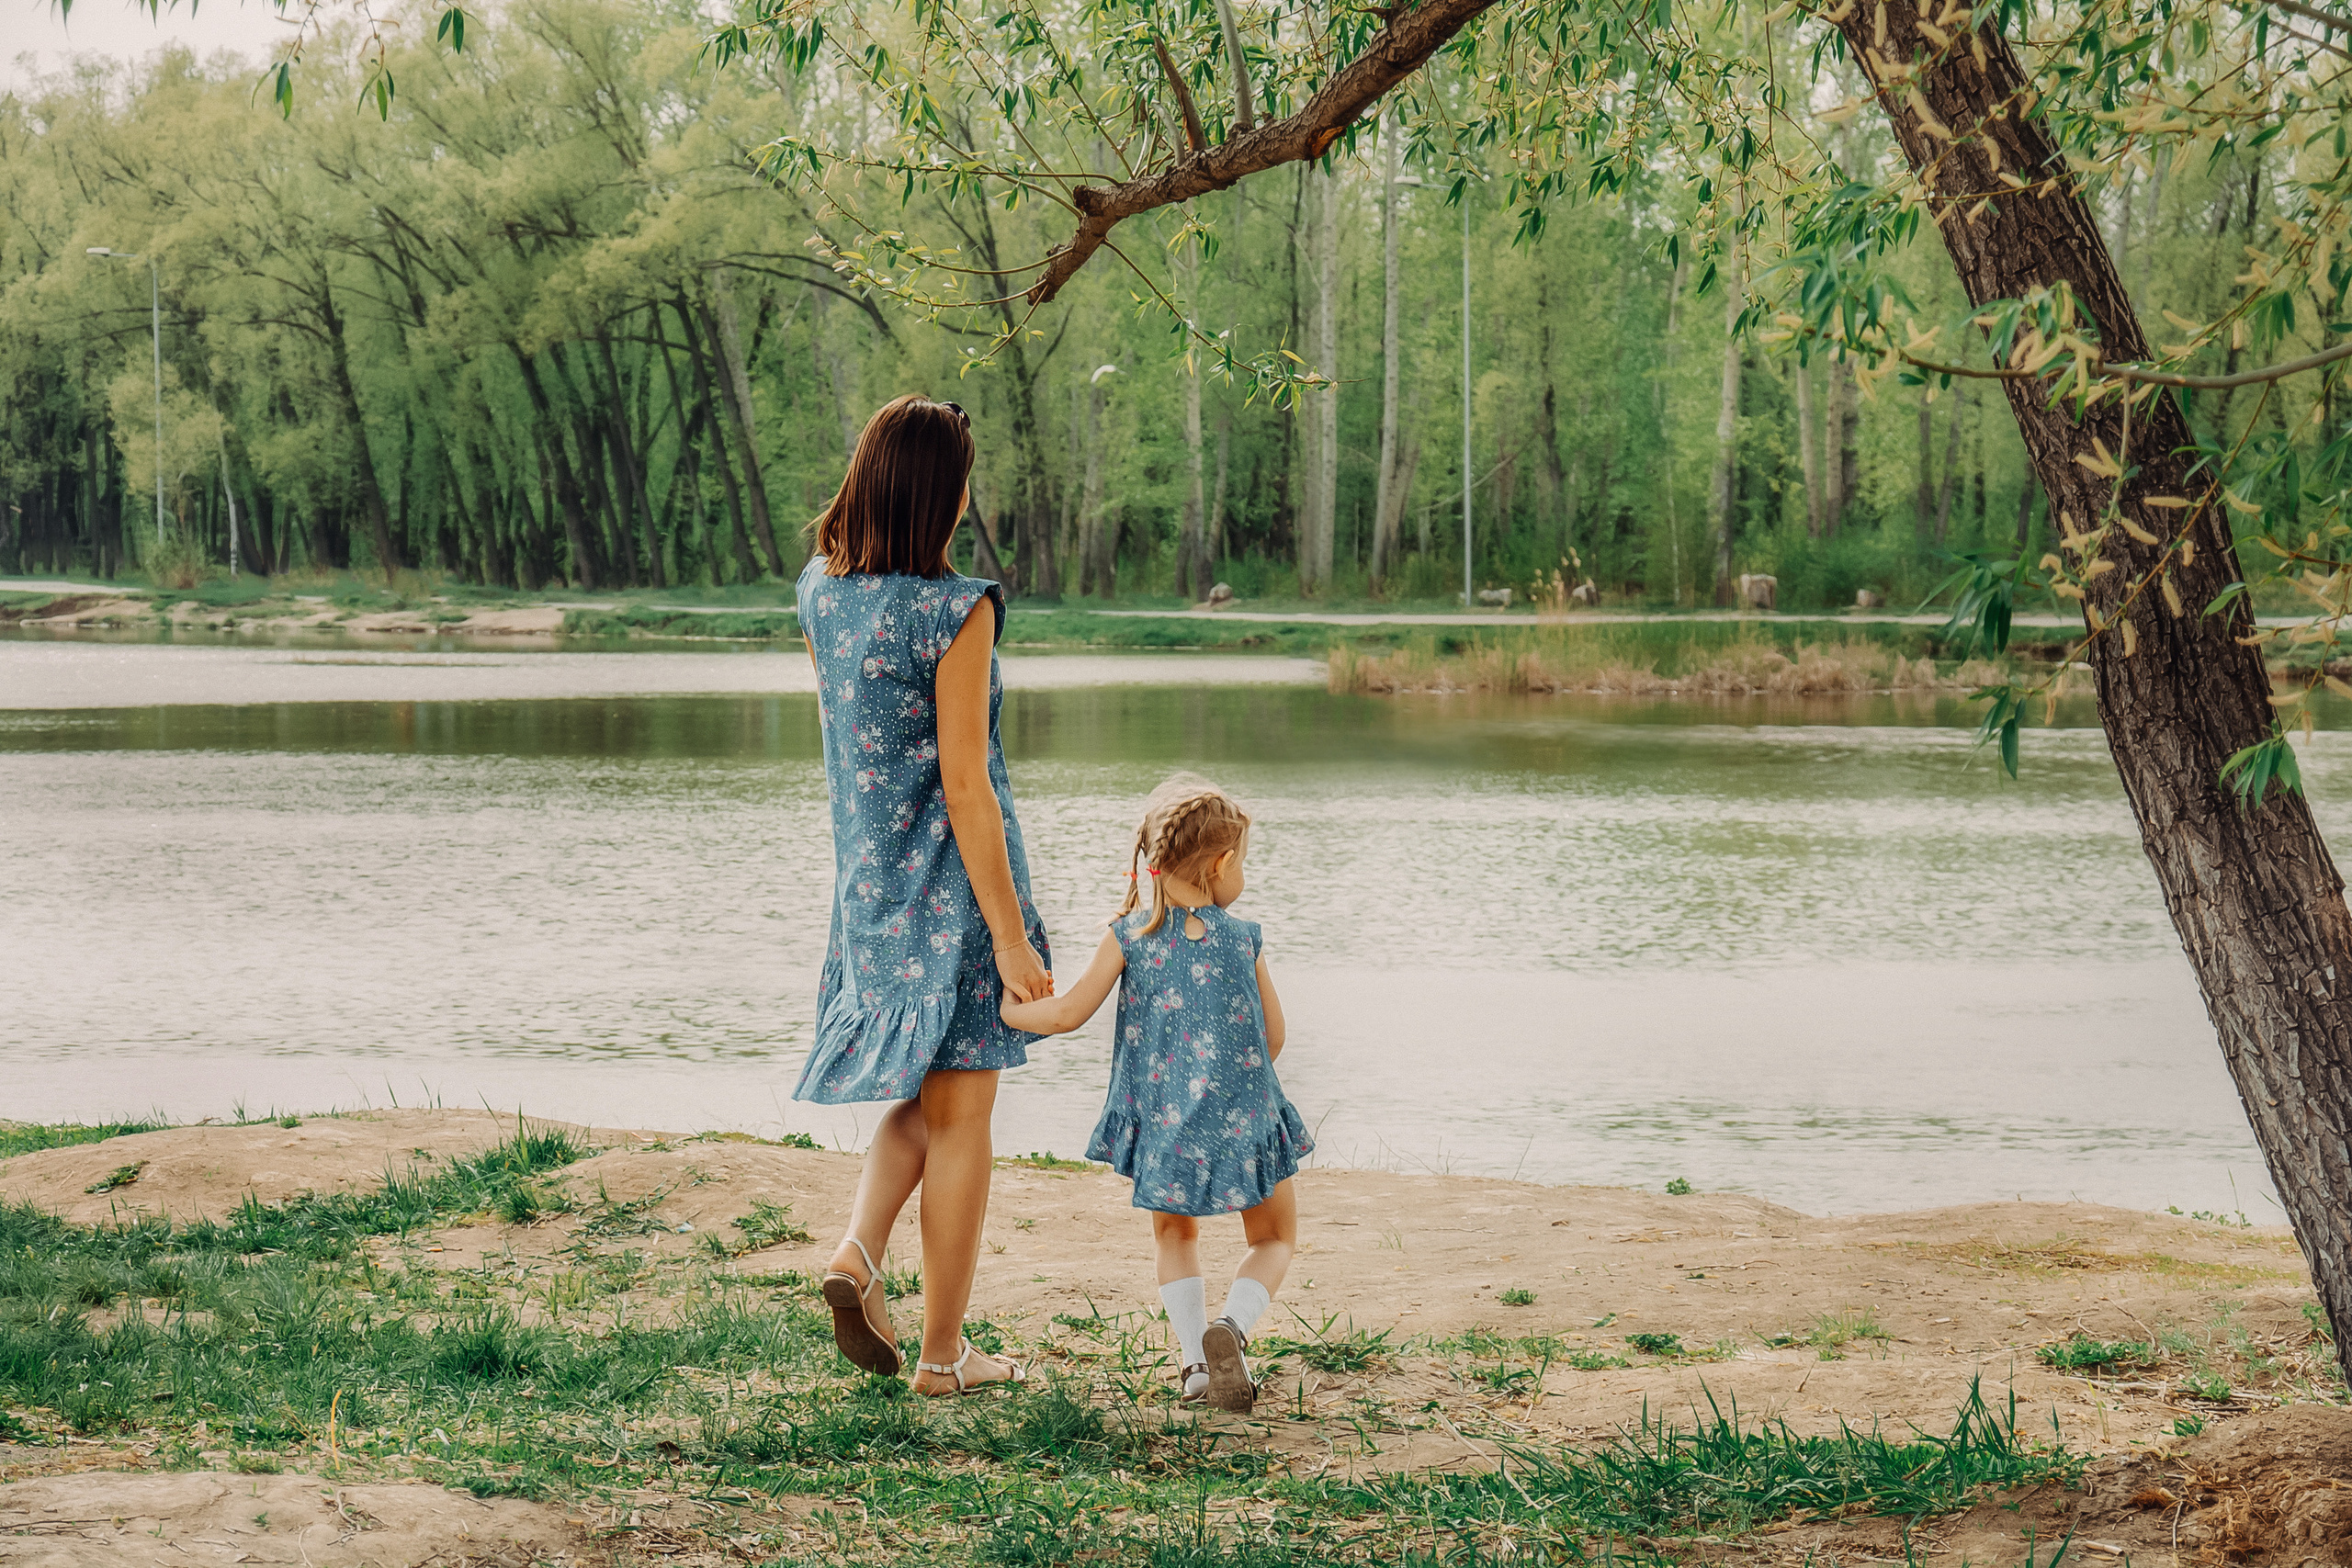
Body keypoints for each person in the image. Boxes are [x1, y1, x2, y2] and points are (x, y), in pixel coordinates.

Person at [796, 394, 1051, 1397]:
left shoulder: (819, 592)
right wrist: (1012, 936)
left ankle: (859, 1253)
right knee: (963, 1117)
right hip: (951, 890)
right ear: (943, 492)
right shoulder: (959, 608)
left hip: (868, 888)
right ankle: (943, 1358)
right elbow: (962, 781)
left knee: (920, 1095)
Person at [1000, 773, 1308, 1413]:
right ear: (1221, 863)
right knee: (1273, 1236)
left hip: (1167, 1128)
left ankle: (1198, 1362)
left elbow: (1065, 1015)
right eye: (1242, 861)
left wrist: (1010, 1014)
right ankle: (1235, 1328)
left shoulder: (1128, 938)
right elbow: (1273, 1038)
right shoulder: (1242, 937)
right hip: (1246, 1117)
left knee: (1176, 1236)